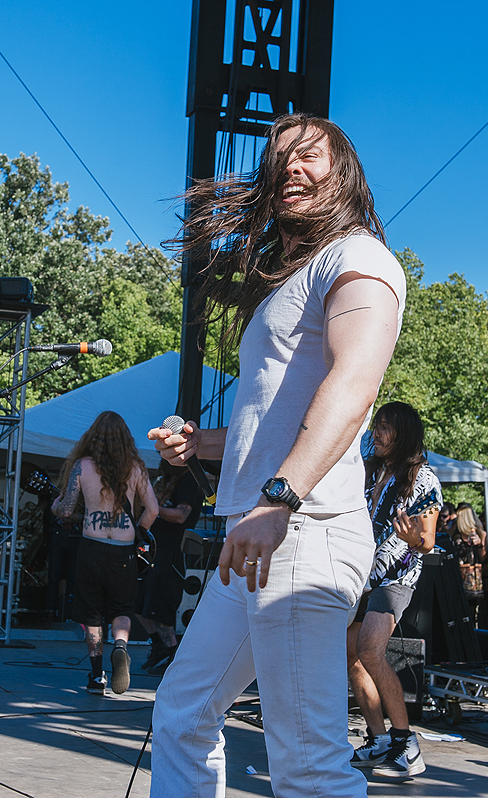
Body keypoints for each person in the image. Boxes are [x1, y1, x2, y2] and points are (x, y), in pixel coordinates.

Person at [148, 113, 405, 798]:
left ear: (343, 172)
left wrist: (279, 499)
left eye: (310, 155)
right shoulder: (290, 284)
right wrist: (198, 444)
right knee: (181, 712)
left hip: (303, 529)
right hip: (257, 538)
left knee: (308, 762)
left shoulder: (359, 259)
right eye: (280, 158)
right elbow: (276, 423)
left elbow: (352, 388)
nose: (290, 166)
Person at [345, 402, 441, 779]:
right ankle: (379, 737)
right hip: (359, 574)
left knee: (369, 650)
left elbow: (427, 540)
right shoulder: (370, 472)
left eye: (384, 427)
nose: (376, 434)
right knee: (350, 656)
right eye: (376, 427)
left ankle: (406, 742)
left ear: (403, 432)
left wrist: (412, 537)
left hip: (394, 578)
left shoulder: (424, 478)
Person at [51, 411, 158, 695]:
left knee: (93, 615)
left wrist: (55, 505)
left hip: (91, 549)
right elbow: (154, 509)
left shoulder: (82, 466)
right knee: (122, 609)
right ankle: (121, 647)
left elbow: (66, 510)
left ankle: (97, 677)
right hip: (123, 550)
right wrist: (139, 532)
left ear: (93, 437)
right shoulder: (136, 468)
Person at [135, 460, 202, 673]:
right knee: (137, 602)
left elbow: (181, 515)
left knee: (161, 606)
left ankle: (172, 654)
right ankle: (159, 647)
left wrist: (153, 509)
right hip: (152, 547)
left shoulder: (189, 480)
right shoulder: (165, 480)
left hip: (170, 551)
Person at [449, 503, 488, 628]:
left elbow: (484, 558)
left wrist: (480, 544)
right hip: (457, 576)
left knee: (473, 611)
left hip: (473, 579)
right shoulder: (455, 533)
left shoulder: (481, 534)